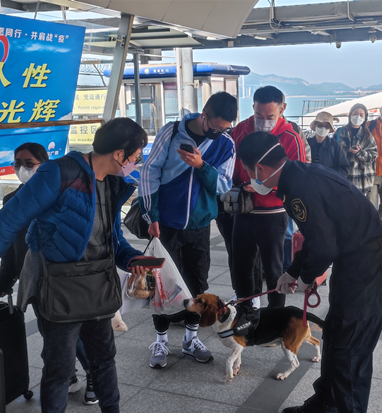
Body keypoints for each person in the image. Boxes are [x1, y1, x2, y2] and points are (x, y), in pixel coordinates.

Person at [0, 118, 151, 413]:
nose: (137, 161)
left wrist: (131, 258)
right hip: (60, 289)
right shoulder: (57, 173)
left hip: (99, 286)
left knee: (104, 361)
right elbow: (9, 220)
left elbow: (110, 236)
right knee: (59, 370)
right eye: (136, 155)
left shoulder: (112, 183)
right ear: (120, 154)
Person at [236, 132, 382, 413]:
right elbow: (317, 237)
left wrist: (303, 278)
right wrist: (291, 272)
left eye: (249, 172)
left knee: (350, 351)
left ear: (259, 169)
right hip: (356, 264)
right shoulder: (300, 175)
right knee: (336, 338)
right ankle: (325, 404)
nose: (250, 178)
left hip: (370, 267)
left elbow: (324, 247)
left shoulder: (298, 188)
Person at [0, 143, 99, 404]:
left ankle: (93, 371)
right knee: (49, 330)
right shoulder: (11, 200)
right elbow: (10, 244)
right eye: (17, 163)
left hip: (61, 275)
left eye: (29, 163)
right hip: (33, 276)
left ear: (44, 165)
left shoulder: (61, 195)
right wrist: (4, 279)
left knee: (73, 331)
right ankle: (68, 374)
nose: (21, 169)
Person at [139, 91, 238, 368]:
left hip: (199, 226)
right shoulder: (171, 133)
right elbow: (150, 172)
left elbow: (224, 185)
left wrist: (202, 166)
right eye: (217, 126)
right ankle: (160, 341)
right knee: (161, 286)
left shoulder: (226, 144)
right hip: (165, 225)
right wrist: (151, 215)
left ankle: (191, 339)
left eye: (226, 127)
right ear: (204, 115)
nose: (221, 132)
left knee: (198, 286)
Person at [229, 85, 307, 309]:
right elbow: (230, 167)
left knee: (274, 270)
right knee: (241, 267)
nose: (263, 121)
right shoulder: (240, 130)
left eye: (270, 116)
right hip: (243, 209)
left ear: (282, 109)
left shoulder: (291, 137)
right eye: (258, 115)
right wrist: (240, 186)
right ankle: (246, 313)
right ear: (252, 107)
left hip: (273, 212)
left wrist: (266, 187)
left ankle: (275, 319)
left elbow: (298, 180)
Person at [335, 103, 378, 195]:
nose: (358, 116)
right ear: (350, 114)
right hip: (343, 178)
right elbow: (333, 152)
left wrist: (360, 153)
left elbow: (373, 156)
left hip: (361, 181)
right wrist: (346, 151)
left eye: (361, 115)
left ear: (365, 118)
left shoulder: (368, 136)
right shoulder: (340, 132)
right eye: (355, 113)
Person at [304, 111, 350, 177]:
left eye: (326, 126)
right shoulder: (306, 144)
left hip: (328, 185)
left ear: (330, 129)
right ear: (315, 126)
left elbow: (344, 169)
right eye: (320, 125)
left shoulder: (335, 146)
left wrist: (328, 174)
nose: (323, 128)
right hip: (308, 184)